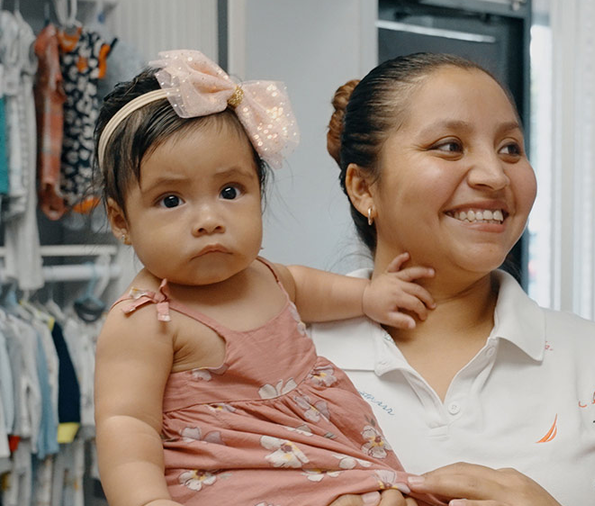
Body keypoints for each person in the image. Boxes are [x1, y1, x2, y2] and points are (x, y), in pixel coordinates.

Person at [313, 52, 595, 506]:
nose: (494, 175)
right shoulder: (282, 358)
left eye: (511, 149)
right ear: (364, 188)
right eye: (450, 145)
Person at [92, 50, 445, 506]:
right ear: (122, 221)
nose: (208, 219)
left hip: (324, 454)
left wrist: (369, 295)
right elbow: (127, 425)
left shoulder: (262, 275)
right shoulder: (145, 319)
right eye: (171, 200)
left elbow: (303, 287)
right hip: (230, 476)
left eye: (229, 191)